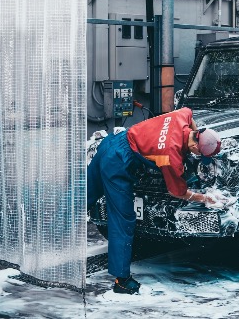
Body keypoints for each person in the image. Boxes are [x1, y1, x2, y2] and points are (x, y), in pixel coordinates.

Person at [87, 107, 222, 294]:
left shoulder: (181, 117)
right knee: (122, 220)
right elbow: (177, 192)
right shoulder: (171, 155)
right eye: (200, 155)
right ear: (195, 146)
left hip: (112, 142)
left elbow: (189, 112)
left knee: (84, 195)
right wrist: (206, 198)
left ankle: (52, 225)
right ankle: (122, 281)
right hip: (118, 162)